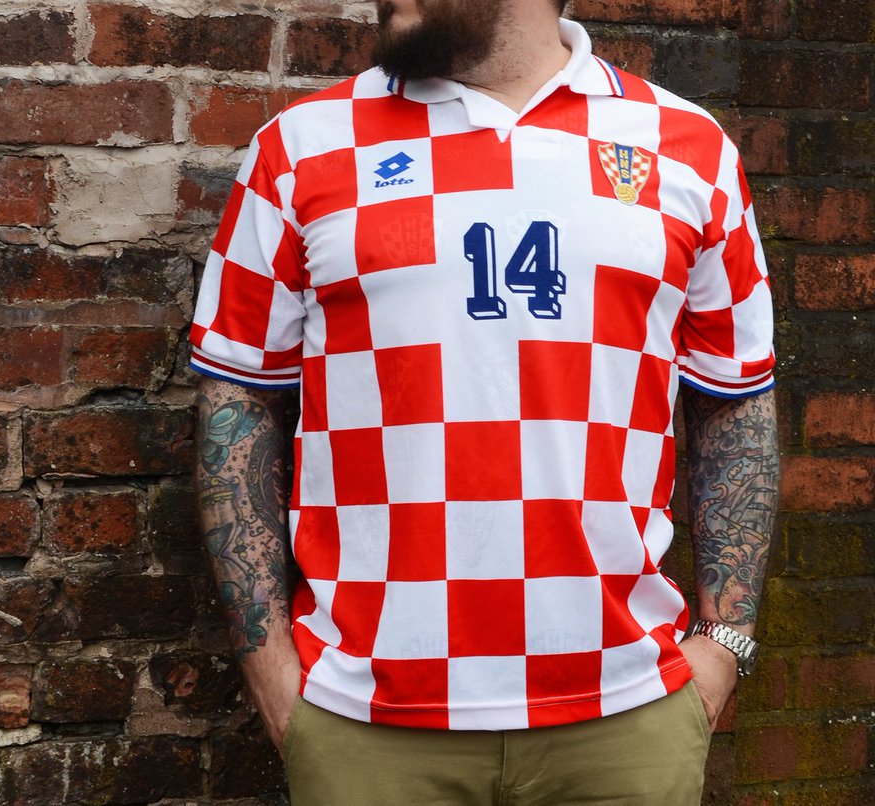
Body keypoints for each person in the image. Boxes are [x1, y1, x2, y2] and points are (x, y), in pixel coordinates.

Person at [190, 0, 779, 801]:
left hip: (629, 715)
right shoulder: (300, 148)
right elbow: (238, 401)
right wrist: (270, 670)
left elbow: (734, 402)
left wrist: (724, 646)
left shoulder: (688, 148)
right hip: (364, 720)